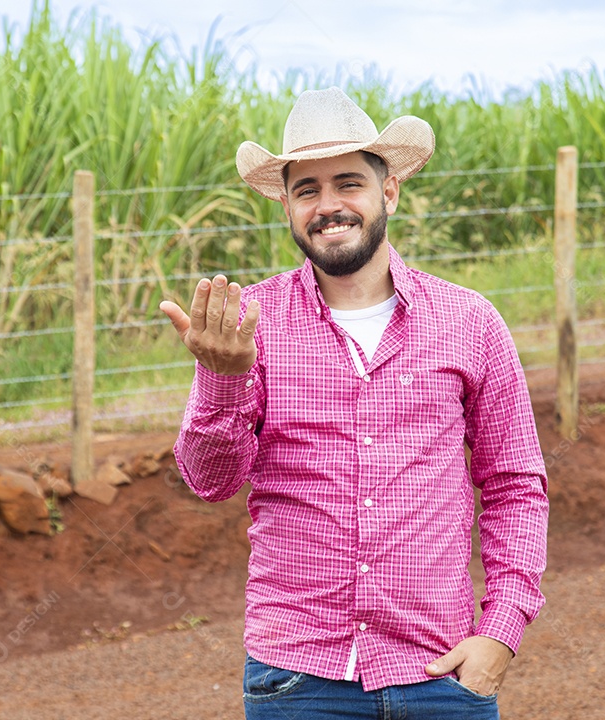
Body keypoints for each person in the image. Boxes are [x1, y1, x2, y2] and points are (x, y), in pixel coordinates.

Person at [159, 87, 549, 719]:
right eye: (307, 189)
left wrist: (502, 630)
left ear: (387, 191)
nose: (329, 205)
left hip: (442, 675)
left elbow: (514, 486)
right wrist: (221, 377)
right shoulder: (250, 325)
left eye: (348, 183)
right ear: (285, 205)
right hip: (297, 681)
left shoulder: (469, 322)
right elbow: (211, 483)